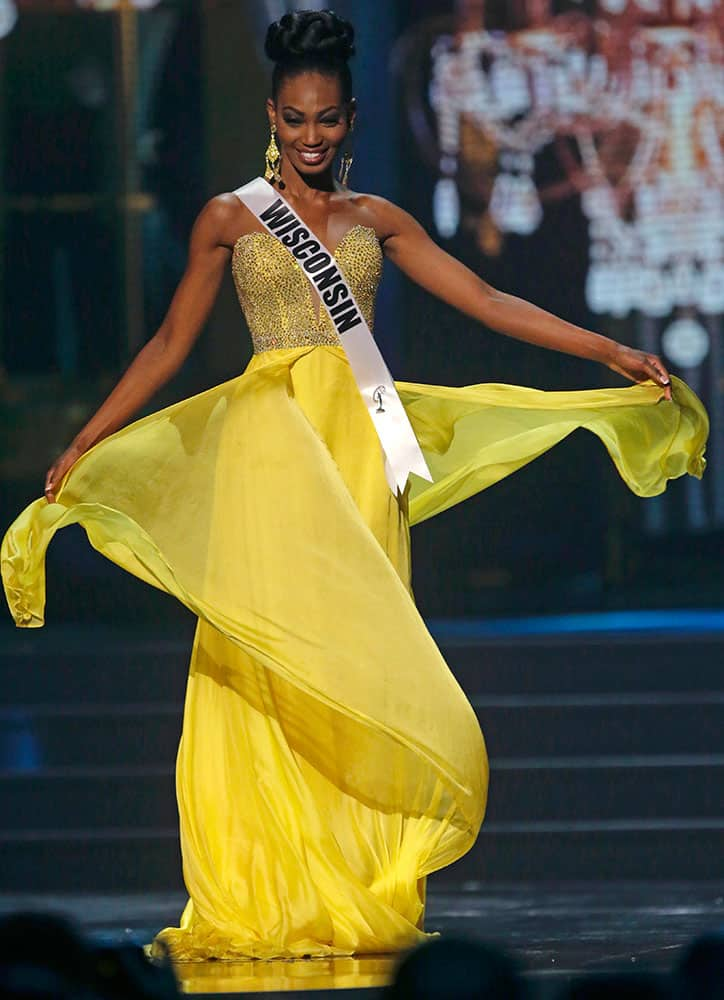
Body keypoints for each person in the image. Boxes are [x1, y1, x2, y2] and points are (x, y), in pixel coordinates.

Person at [0, 8, 708, 962]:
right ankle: (264, 879)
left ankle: (349, 873)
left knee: (355, 652)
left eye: (327, 119)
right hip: (269, 450)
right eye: (294, 119)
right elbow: (170, 344)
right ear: (271, 114)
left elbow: (488, 300)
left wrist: (607, 347)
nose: (310, 136)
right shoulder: (230, 217)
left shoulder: (379, 221)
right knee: (267, 657)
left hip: (361, 446)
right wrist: (87, 438)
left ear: (352, 117)